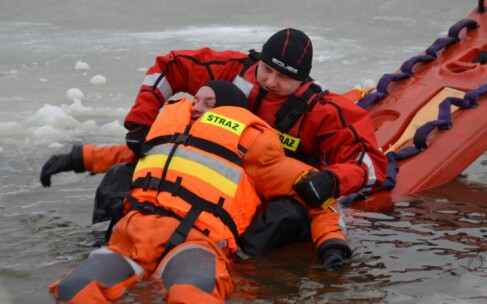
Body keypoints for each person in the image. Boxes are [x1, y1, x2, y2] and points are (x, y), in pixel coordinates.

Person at [41, 28, 386, 255]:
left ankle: (235, 261)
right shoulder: (230, 71)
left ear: (303, 79)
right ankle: (111, 239)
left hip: (262, 188)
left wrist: (331, 180)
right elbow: (169, 67)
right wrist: (141, 123)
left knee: (290, 214)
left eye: (284, 77)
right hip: (201, 177)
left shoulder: (323, 113)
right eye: (267, 70)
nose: (270, 81)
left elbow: (369, 163)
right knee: (121, 175)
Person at [49, 80, 351, 303]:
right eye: (196, 99)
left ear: (229, 114)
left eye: (209, 103)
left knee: (193, 295)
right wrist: (76, 157)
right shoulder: (168, 134)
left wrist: (332, 243)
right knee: (73, 290)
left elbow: (315, 190)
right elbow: (123, 154)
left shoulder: (251, 147)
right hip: (130, 239)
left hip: (196, 242)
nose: (196, 107)